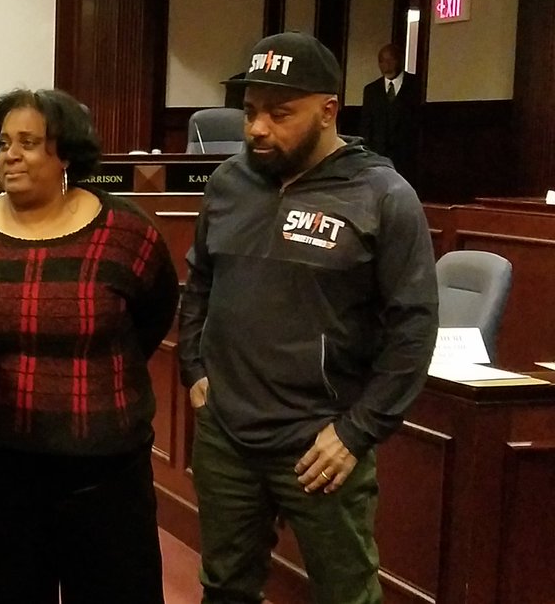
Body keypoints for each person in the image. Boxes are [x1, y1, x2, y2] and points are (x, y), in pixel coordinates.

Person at [180, 31, 438, 604]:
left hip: (321, 443)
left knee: (346, 594)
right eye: (249, 112)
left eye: (280, 113)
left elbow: (414, 327)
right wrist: (194, 368)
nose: (257, 129)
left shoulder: (382, 195)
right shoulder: (229, 183)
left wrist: (357, 431)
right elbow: (200, 281)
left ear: (328, 111)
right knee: (224, 587)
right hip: (227, 434)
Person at [0, 88, 180, 604]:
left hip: (106, 472)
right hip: (0, 470)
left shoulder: (126, 233)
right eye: (5, 142)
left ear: (66, 152)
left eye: (29, 142)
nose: (10, 155)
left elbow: (152, 318)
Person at [359, 43, 421, 182]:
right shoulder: (371, 90)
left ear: (400, 60)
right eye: (382, 61)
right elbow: (366, 125)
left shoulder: (417, 85)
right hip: (379, 157)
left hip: (408, 157)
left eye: (390, 60)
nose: (386, 65)